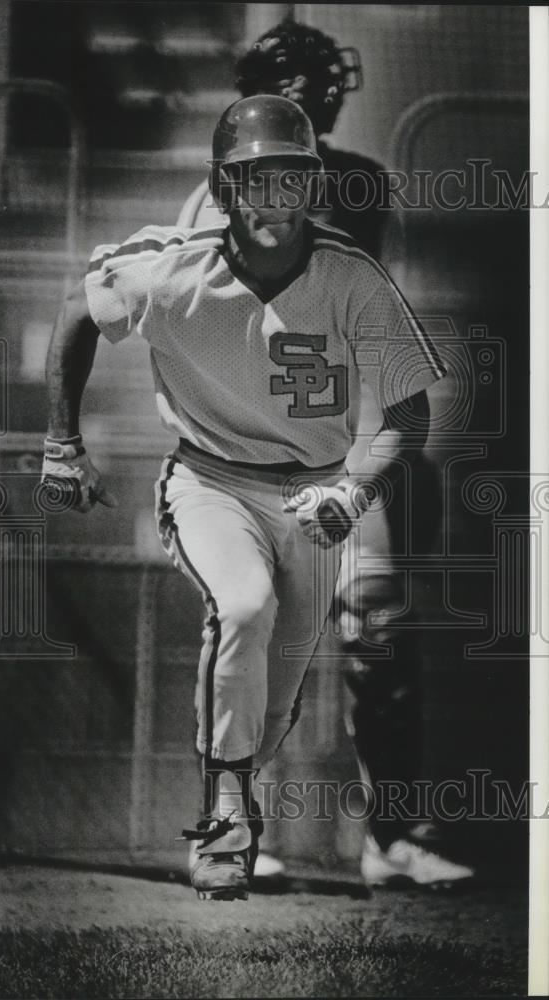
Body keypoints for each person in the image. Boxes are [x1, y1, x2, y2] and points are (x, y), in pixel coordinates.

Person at [42, 93, 448, 902]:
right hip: (210, 481)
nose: (274, 201)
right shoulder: (174, 265)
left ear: (314, 188)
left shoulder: (349, 275)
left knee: (274, 704)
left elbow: (410, 411)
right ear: (224, 190)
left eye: (291, 181)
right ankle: (226, 820)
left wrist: (355, 492)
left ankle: (243, 788)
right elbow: (76, 311)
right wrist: (61, 445)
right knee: (244, 606)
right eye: (254, 182)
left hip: (314, 498)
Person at [177, 18, 475, 891]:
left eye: (318, 81)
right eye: (295, 82)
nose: (314, 95)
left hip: (342, 445)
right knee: (253, 627)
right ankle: (229, 832)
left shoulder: (355, 183)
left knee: (378, 628)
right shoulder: (210, 197)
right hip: (247, 452)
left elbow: (353, 306)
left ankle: (393, 835)